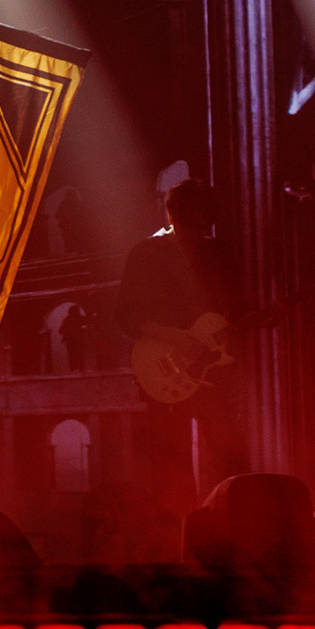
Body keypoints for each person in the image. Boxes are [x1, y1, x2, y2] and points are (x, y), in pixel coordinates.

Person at [107, 180, 246, 547]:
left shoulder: (218, 253)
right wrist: (176, 337)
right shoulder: (146, 254)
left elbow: (238, 309)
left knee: (231, 457)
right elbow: (125, 316)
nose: (199, 232)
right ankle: (175, 540)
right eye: (193, 223)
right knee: (171, 462)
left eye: (204, 223)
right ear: (176, 217)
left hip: (213, 372)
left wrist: (257, 320)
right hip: (165, 369)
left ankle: (233, 534)